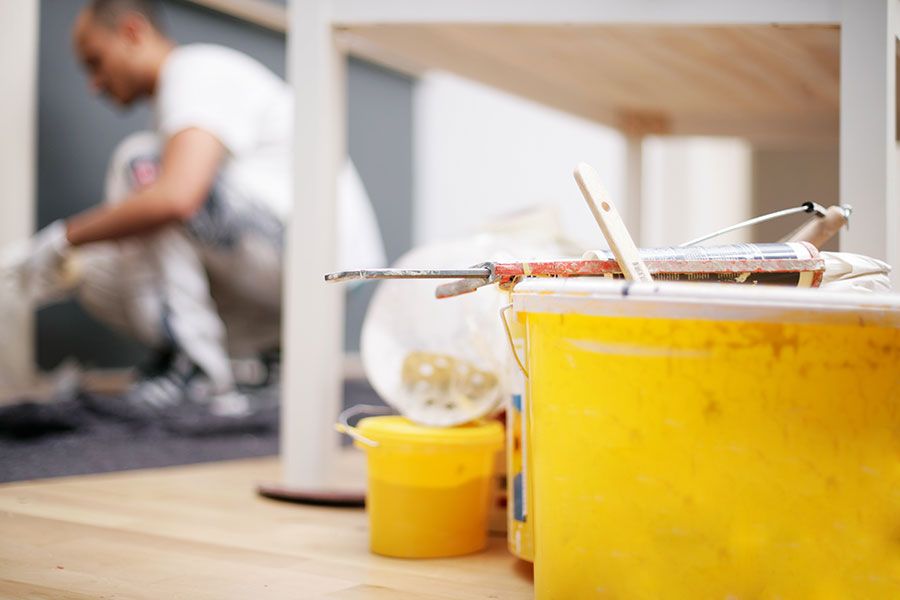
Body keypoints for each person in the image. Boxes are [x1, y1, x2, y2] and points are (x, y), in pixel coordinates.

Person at [7, 0, 385, 418]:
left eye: (96, 62)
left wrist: (62, 237)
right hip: (299, 265)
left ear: (133, 32)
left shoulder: (193, 71)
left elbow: (177, 196)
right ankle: (268, 358)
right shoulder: (186, 90)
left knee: (142, 166)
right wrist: (68, 254)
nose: (95, 84)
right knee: (92, 269)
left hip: (319, 263)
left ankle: (198, 372)